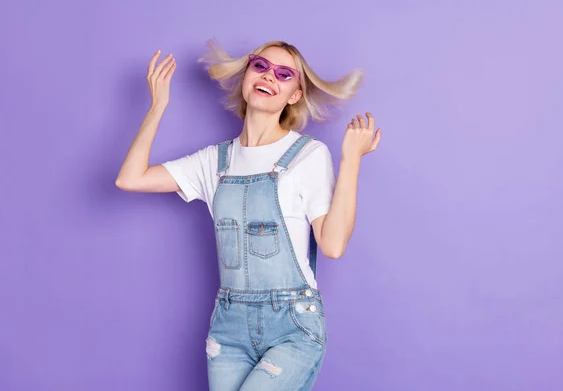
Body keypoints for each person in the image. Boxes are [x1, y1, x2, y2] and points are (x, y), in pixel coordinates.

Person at [115, 40, 381, 390]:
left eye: (284, 74)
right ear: (246, 76)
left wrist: (351, 160)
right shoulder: (215, 162)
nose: (269, 75)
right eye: (260, 66)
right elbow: (130, 178)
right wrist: (158, 106)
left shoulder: (308, 155)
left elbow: (332, 246)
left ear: (294, 95)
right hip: (229, 328)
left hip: (292, 326)